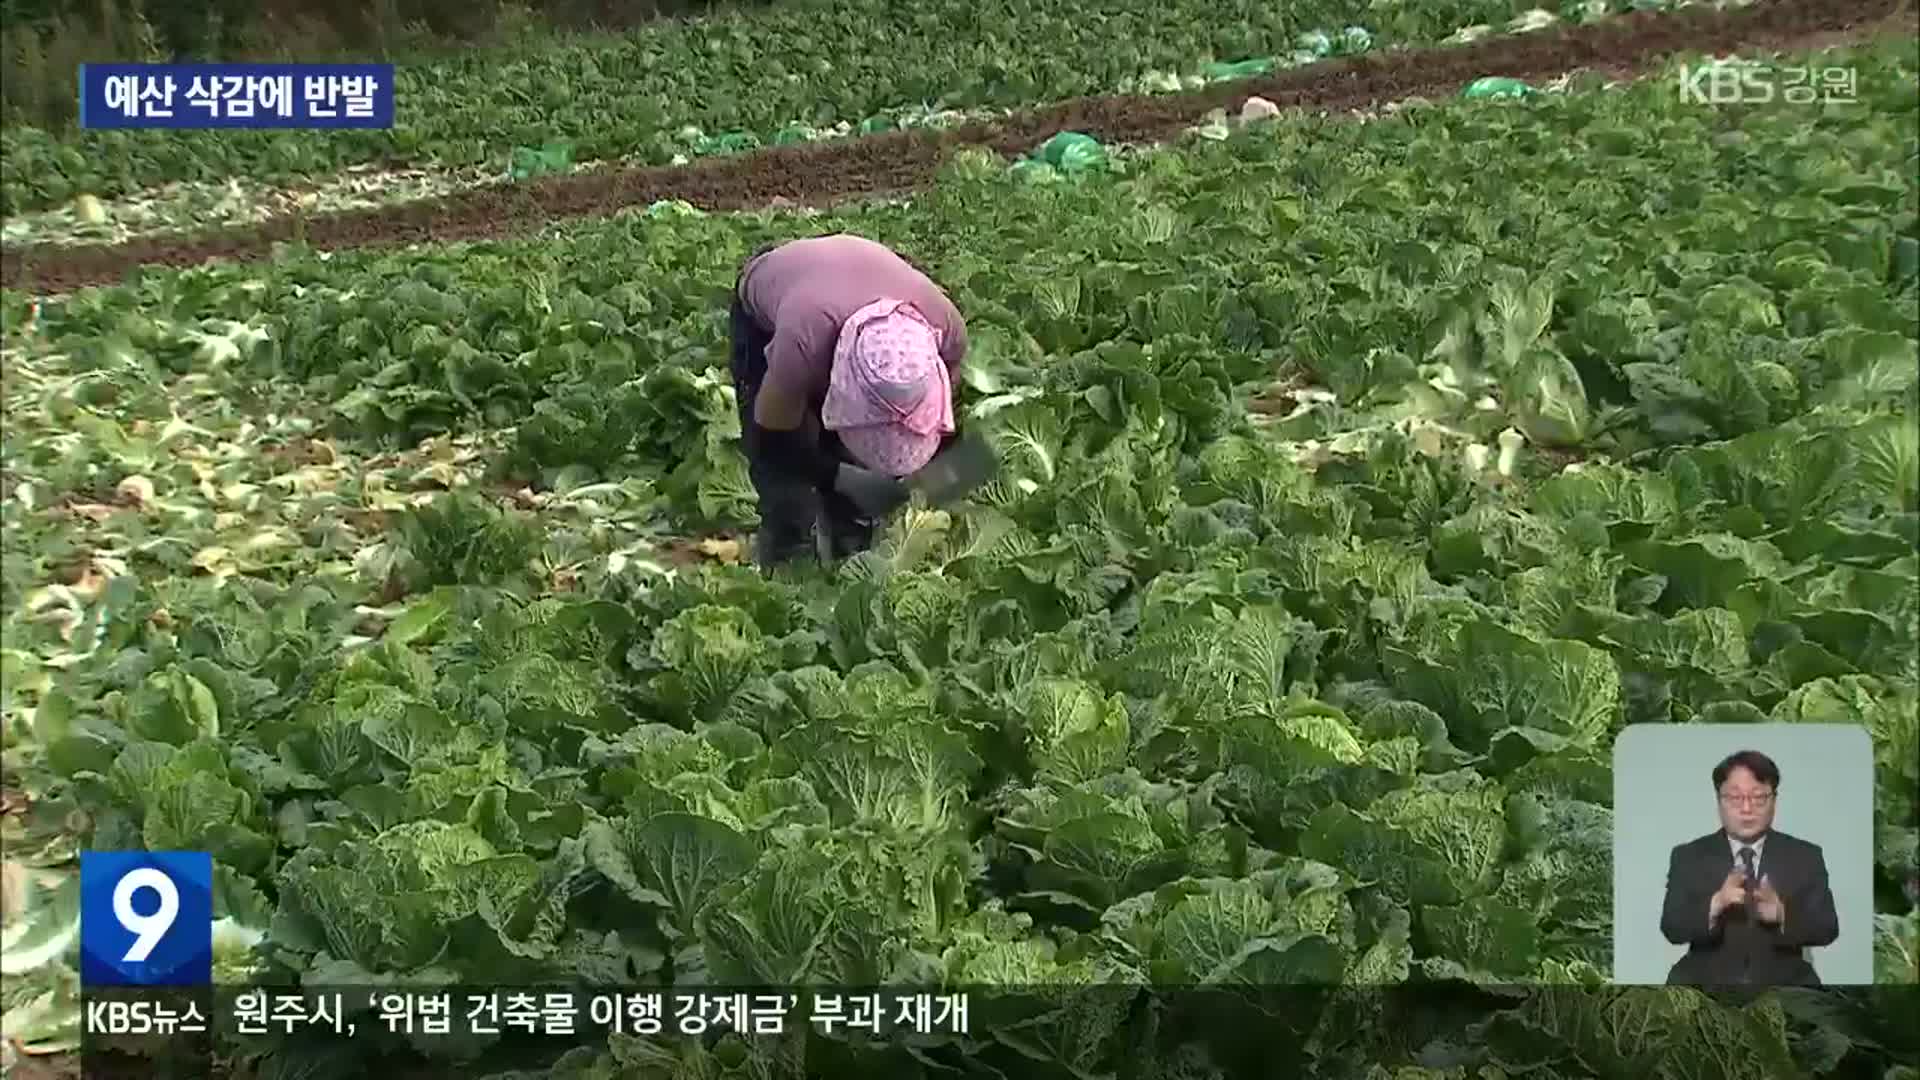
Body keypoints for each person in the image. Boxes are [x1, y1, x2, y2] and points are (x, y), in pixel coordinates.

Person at [728, 234, 968, 567]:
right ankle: (786, 562)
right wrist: (838, 476)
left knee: (853, 472)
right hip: (776, 295)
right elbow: (773, 438)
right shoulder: (800, 340)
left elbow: (939, 418)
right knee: (786, 486)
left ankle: (847, 538)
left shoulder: (946, 329)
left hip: (847, 278)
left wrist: (939, 481)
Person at [1659, 749, 1839, 986]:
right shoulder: (1689, 856)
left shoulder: (1805, 856)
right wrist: (1716, 904)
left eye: (1758, 798)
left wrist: (1782, 913)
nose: (1746, 809)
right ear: (1719, 800)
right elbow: (1672, 928)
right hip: (1704, 989)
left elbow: (1827, 928)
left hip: (1786, 990)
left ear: (1774, 800)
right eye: (1735, 798)